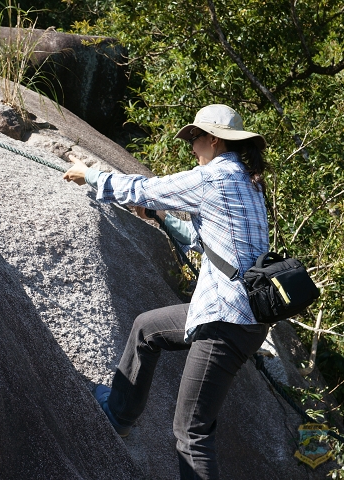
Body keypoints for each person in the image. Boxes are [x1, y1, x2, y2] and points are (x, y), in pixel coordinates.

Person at [63, 104, 270, 480]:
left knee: (192, 434)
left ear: (214, 140)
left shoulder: (215, 176)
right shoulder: (248, 182)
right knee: (147, 329)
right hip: (242, 314)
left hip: (225, 319)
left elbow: (145, 188)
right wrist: (159, 216)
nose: (192, 146)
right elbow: (200, 238)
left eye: (196, 137)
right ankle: (119, 414)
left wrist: (90, 174)